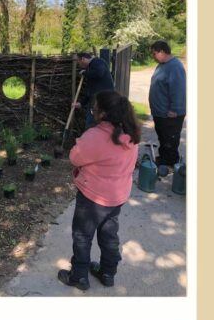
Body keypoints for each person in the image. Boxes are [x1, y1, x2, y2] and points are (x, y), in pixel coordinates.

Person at [57, 90, 140, 291]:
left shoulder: (95, 136)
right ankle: (108, 273)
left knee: (82, 236)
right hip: (117, 197)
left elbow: (75, 158)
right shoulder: (131, 134)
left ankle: (79, 276)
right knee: (109, 235)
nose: (93, 110)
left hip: (93, 197)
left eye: (95, 108)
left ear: (103, 113)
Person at [148, 40, 186, 171]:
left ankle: (170, 163)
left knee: (170, 140)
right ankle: (164, 158)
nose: (153, 56)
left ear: (162, 52)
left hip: (170, 114)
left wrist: (175, 109)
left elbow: (178, 90)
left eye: (154, 53)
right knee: (163, 138)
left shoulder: (175, 67)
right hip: (160, 112)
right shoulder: (163, 65)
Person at [73, 53, 115, 128]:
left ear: (83, 59)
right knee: (93, 123)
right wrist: (81, 103)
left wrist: (85, 73)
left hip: (103, 99)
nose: (78, 64)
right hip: (97, 100)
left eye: (78, 61)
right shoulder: (91, 68)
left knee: (94, 123)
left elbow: (99, 73)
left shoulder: (98, 62)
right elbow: (90, 90)